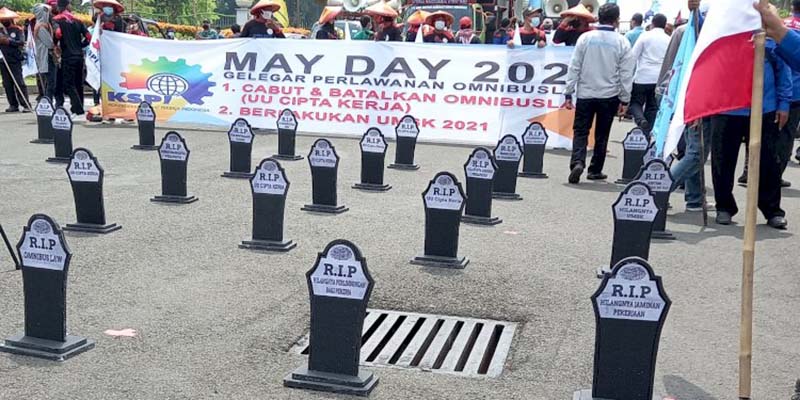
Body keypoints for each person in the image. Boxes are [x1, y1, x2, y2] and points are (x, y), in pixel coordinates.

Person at [710, 31, 791, 229]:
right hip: (727, 109)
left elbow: (783, 70)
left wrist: (784, 104)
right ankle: (724, 207)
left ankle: (772, 210)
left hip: (765, 109)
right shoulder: (723, 33)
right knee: (722, 160)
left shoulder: (770, 38)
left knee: (769, 162)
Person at [563, 3, 634, 184]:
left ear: (598, 18)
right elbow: (626, 73)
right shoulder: (622, 42)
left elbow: (574, 66)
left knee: (580, 131)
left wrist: (568, 92)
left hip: (585, 93)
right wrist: (625, 99)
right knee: (602, 133)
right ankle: (595, 170)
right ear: (616, 20)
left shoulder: (585, 38)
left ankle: (578, 161)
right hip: (609, 95)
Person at [663, 0, 710, 213]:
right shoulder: (695, 33)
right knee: (696, 153)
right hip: (695, 98)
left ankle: (694, 199)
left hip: (690, 96)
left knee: (694, 150)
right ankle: (659, 190)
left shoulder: (685, 32)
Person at [629, 13, 669, 134]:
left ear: (652, 24)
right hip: (659, 79)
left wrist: (629, 76)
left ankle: (640, 119)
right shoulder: (668, 39)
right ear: (664, 25)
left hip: (642, 77)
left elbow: (633, 56)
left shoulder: (645, 36)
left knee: (635, 103)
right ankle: (646, 134)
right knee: (652, 107)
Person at [53, 0, 90, 118]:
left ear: (59, 7)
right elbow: (89, 36)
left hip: (68, 56)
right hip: (79, 56)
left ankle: (78, 108)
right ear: (68, 6)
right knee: (79, 83)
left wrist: (55, 44)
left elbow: (58, 33)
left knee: (68, 83)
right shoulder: (78, 20)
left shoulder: (57, 20)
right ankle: (79, 106)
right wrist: (81, 45)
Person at [0, 7, 30, 113]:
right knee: (7, 84)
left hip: (15, 60)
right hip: (3, 61)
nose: (4, 21)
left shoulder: (18, 30)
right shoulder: (0, 31)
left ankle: (26, 104)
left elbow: (21, 42)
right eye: (2, 19)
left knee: (19, 82)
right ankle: (13, 105)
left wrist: (9, 41)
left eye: (5, 19)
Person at [32, 3, 56, 102]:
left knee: (50, 81)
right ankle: (48, 101)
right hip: (46, 56)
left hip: (47, 55)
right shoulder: (41, 27)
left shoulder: (45, 25)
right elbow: (49, 43)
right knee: (51, 81)